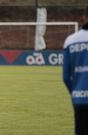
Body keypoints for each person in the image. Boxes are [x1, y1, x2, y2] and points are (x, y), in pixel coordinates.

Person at [63, 7, 88, 135]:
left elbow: (66, 77)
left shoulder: (71, 40)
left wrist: (75, 93)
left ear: (85, 17)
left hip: (79, 99)